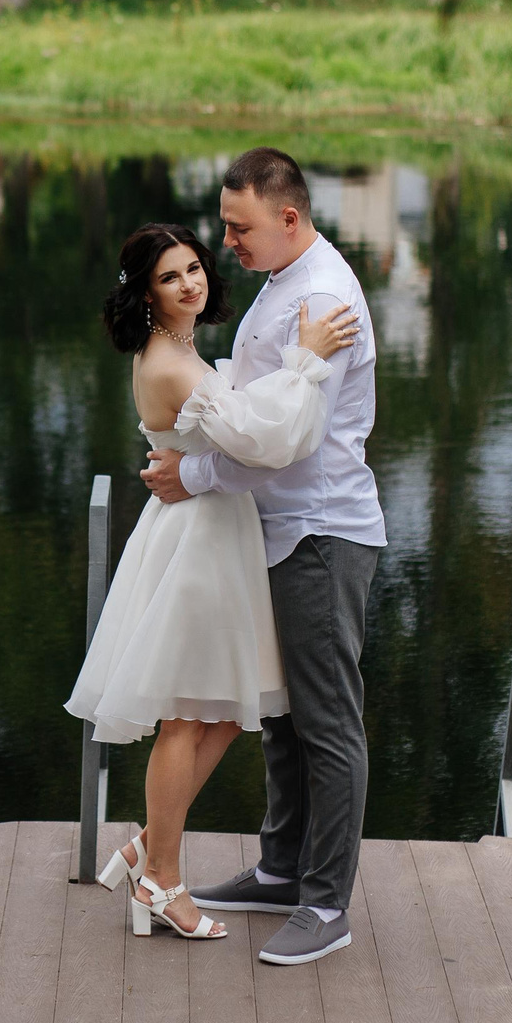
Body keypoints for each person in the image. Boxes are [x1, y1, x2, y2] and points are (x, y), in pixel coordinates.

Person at [65, 218, 361, 942]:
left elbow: (231, 409)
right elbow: (265, 436)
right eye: (170, 276)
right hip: (198, 543)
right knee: (189, 716)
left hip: (214, 533)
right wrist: (307, 361)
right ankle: (162, 878)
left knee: (230, 710)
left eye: (194, 267)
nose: (190, 282)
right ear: (144, 291)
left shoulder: (179, 347)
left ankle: (147, 844)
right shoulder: (167, 360)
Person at [141, 147, 384, 967]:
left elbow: (291, 438)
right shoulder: (286, 281)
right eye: (224, 224)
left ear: (288, 218)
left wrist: (194, 473)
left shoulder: (325, 298)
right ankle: (282, 868)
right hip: (275, 530)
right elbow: (250, 405)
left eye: (238, 226)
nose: (225, 242)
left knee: (326, 722)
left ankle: (325, 903)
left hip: (320, 531)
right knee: (282, 719)